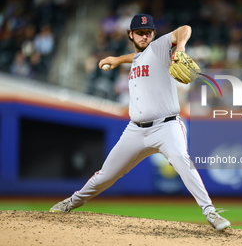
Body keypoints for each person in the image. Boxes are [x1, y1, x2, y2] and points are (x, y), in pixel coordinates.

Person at [50, 13, 231, 231]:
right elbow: (136, 57)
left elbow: (185, 28)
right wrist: (117, 59)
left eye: (148, 32)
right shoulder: (138, 58)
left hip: (167, 126)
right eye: (140, 33)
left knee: (182, 160)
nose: (144, 36)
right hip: (134, 131)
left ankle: (210, 212)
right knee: (106, 175)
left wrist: (180, 47)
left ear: (154, 34)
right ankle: (72, 202)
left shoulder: (160, 47)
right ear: (131, 35)